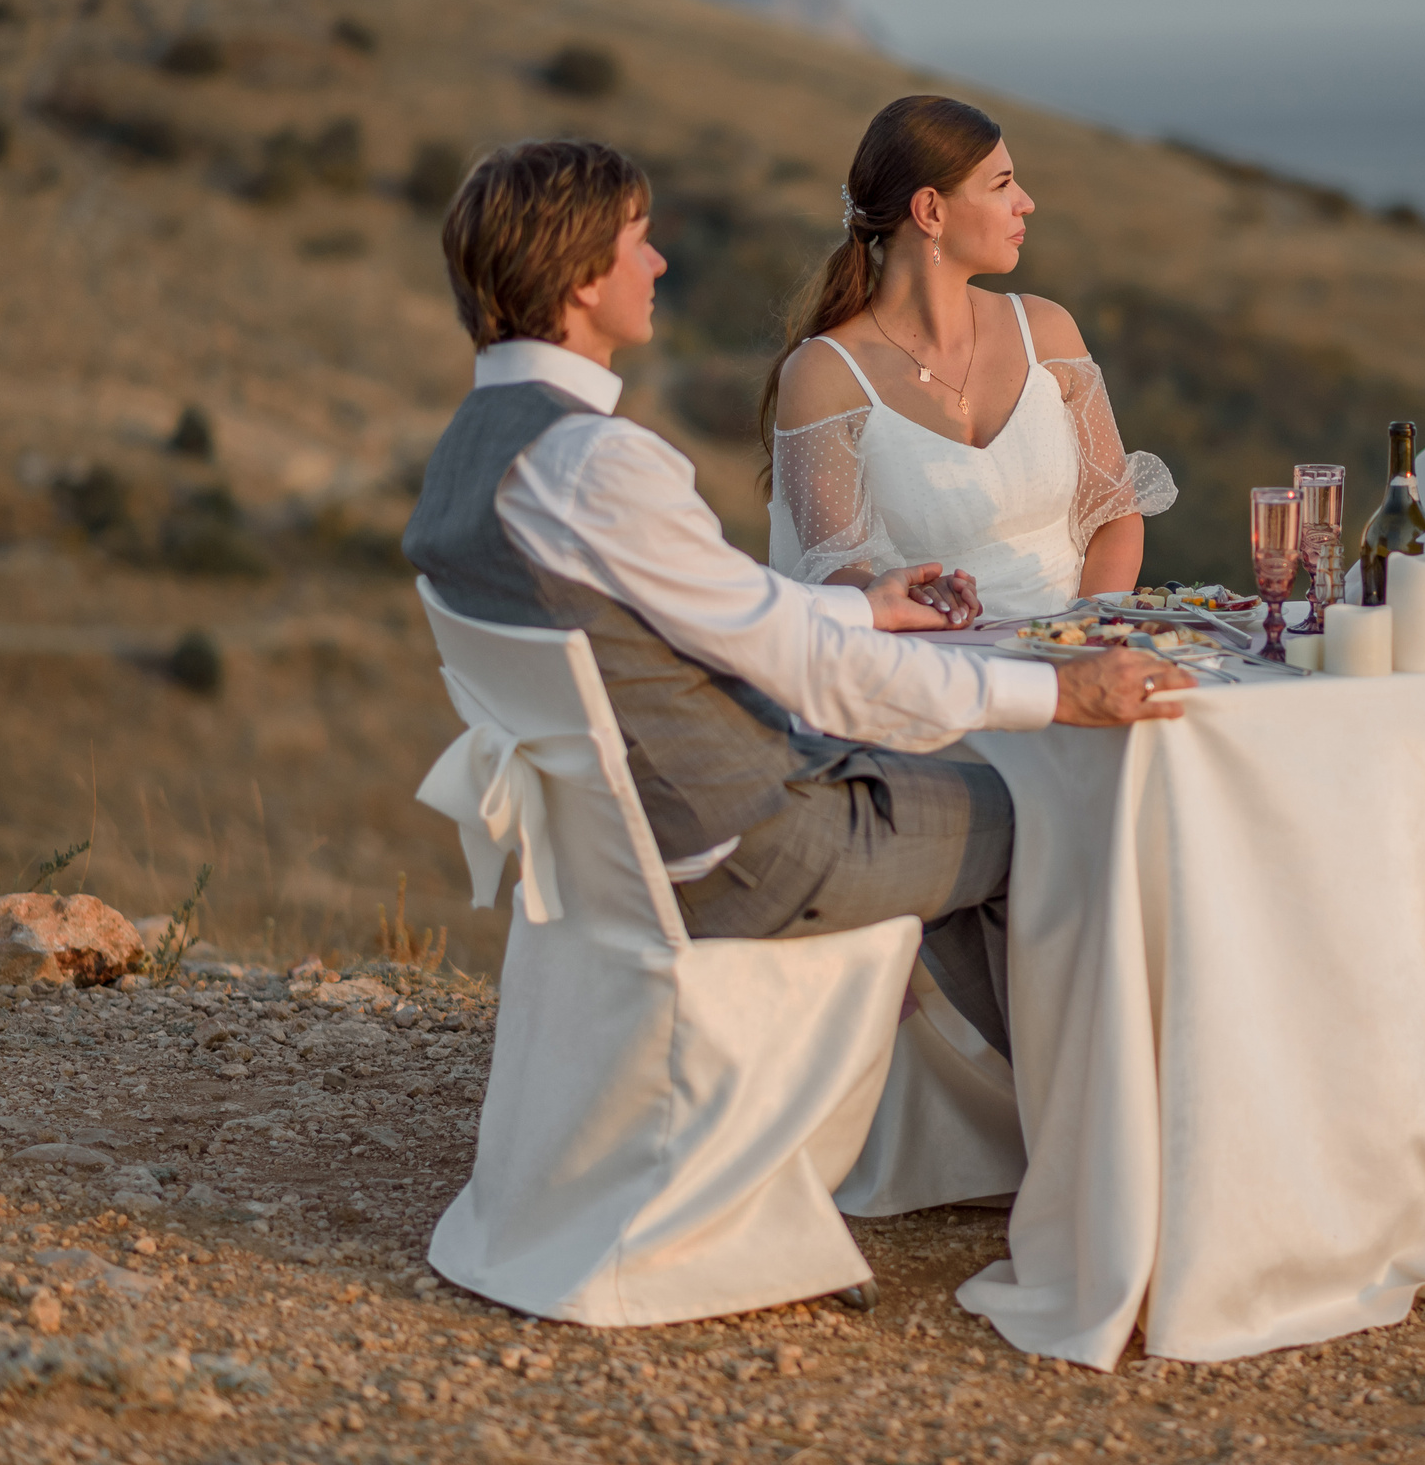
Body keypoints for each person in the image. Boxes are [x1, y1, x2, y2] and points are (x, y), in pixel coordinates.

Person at [400, 139, 1192, 1060]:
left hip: (631, 844)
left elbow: (747, 614)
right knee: (1053, 824)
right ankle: (1107, 1135)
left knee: (987, 799)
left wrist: (867, 606)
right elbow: (805, 667)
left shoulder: (474, 450)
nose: (657, 262)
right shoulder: (598, 462)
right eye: (638, 240)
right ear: (581, 280)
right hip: (748, 844)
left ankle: (1041, 1122)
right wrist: (1059, 694)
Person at [762, 96, 1174, 620]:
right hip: (926, 667)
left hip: (1078, 655)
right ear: (931, 211)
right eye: (1002, 185)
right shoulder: (825, 374)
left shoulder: (1047, 333)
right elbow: (835, 572)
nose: (1025, 202)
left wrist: (1085, 634)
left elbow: (1114, 514)